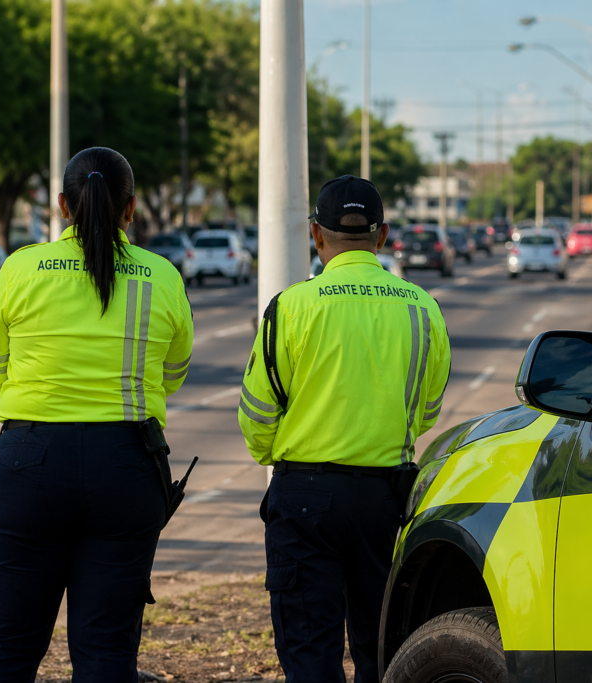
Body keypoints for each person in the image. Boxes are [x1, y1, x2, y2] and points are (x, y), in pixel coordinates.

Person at [0, 147, 193, 682]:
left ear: (63, 205)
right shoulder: (161, 276)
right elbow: (173, 372)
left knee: (5, 645)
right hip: (127, 468)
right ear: (130, 208)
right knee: (107, 652)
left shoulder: (21, 268)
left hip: (29, 465)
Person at [238, 175, 451, 683]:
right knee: (382, 649)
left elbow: (257, 415)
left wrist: (279, 457)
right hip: (384, 500)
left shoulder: (291, 307)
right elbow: (426, 410)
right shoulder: (421, 308)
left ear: (317, 234)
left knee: (309, 651)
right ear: (382, 236)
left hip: (304, 499)